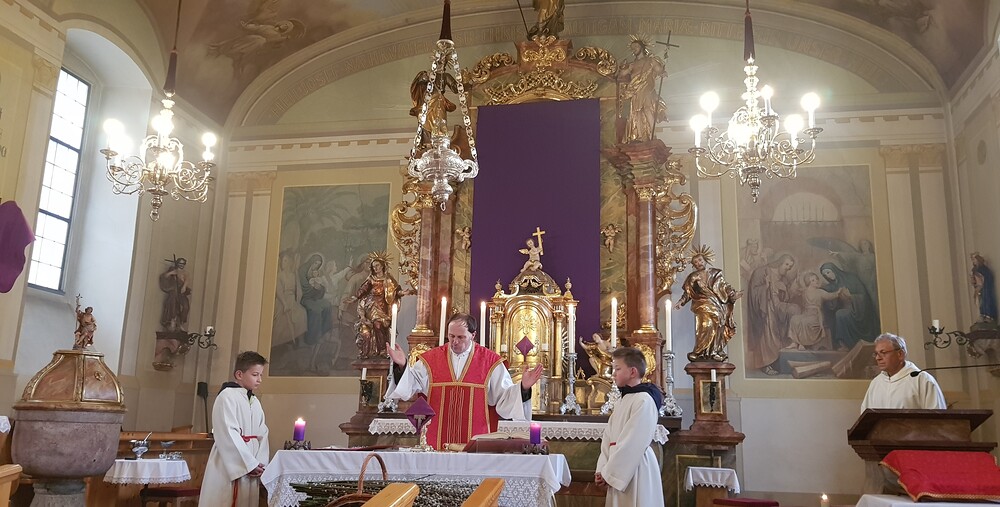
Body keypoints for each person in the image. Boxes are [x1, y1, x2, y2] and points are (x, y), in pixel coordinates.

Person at [386, 313, 544, 450]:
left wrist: (523, 388)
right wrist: (403, 365)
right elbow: (410, 385)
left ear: (473, 335)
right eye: (451, 336)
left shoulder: (490, 363)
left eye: (460, 337)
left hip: (477, 443)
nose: (454, 341)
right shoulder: (430, 360)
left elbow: (504, 399)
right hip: (436, 442)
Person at [859, 333, 945, 493]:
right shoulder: (876, 384)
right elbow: (864, 418)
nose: (878, 358)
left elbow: (938, 421)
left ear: (900, 354)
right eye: (876, 353)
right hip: (880, 457)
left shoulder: (922, 380)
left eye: (883, 353)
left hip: (914, 458)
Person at [595, 347, 664, 506]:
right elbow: (608, 438)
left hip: (635, 468)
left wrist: (609, 473)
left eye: (617, 369)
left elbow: (633, 442)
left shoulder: (644, 400)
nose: (613, 374)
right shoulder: (623, 400)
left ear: (633, 372)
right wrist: (602, 469)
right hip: (616, 468)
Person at [200, 351, 270, 507]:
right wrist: (248, 464)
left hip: (252, 461)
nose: (259, 379)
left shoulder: (255, 401)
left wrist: (260, 463)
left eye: (261, 375)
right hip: (229, 463)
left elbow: (263, 433)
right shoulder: (227, 396)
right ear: (239, 374)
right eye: (255, 375)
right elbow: (228, 432)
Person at [675, 248, 743, 362]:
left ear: (705, 260)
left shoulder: (715, 273)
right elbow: (688, 293)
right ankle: (699, 351)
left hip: (717, 303)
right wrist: (681, 302)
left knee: (719, 324)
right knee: (705, 326)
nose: (698, 263)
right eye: (695, 262)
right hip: (702, 303)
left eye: (700, 260)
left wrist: (732, 294)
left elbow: (724, 286)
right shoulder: (693, 277)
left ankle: (714, 351)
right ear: (693, 265)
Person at [746, 254, 800, 375]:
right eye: (787, 264)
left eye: (790, 267)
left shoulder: (783, 279)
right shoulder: (762, 272)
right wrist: (766, 287)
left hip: (777, 307)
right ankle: (766, 364)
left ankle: (793, 344)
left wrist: (789, 290)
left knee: (795, 309)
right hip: (765, 309)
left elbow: (784, 298)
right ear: (780, 262)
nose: (788, 268)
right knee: (768, 332)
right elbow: (753, 292)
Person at [354, 255, 406, 359]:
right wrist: (355, 297)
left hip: (383, 307)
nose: (375, 268)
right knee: (376, 325)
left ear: (382, 266)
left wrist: (404, 292)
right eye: (373, 266)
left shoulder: (388, 279)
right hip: (371, 306)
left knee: (381, 327)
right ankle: (380, 350)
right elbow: (363, 290)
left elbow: (396, 291)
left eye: (377, 265)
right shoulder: (371, 279)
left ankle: (382, 349)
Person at [617, 35, 666, 144]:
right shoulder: (632, 64)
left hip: (647, 87)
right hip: (635, 89)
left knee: (647, 108)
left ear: (642, 47)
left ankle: (653, 134)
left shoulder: (650, 60)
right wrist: (623, 68)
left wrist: (662, 71)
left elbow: (659, 69)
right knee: (636, 112)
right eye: (632, 48)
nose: (634, 49)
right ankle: (640, 136)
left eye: (636, 47)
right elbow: (621, 74)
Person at [819, 262, 879, 350]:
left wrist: (851, 296)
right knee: (840, 314)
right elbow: (830, 304)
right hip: (845, 310)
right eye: (825, 275)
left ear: (834, 270)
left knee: (841, 314)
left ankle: (846, 344)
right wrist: (834, 299)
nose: (828, 276)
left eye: (828, 272)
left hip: (858, 310)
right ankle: (843, 344)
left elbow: (864, 297)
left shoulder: (851, 278)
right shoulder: (831, 286)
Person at [159, 257, 191, 332]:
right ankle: (172, 321)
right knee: (173, 304)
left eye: (183, 263)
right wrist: (171, 273)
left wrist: (184, 286)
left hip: (181, 293)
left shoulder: (185, 273)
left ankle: (181, 322)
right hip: (173, 292)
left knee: (186, 306)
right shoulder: (172, 270)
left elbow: (187, 280)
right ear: (177, 263)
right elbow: (164, 277)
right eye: (180, 263)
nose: (182, 265)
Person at [970, 252, 997, 323]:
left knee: (986, 300)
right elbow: (974, 280)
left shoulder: (984, 270)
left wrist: (980, 284)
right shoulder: (975, 269)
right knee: (979, 302)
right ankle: (983, 314)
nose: (973, 261)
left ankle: (988, 315)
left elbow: (987, 278)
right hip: (979, 289)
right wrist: (974, 282)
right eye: (972, 260)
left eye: (974, 259)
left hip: (985, 288)